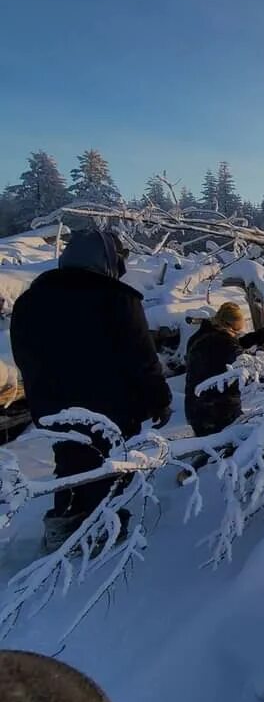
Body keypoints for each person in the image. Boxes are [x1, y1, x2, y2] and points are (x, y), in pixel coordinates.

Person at [10, 228, 172, 552]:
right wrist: (160, 400)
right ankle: (102, 530)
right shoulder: (117, 300)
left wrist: (44, 393)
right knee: (107, 463)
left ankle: (64, 523)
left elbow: (22, 354)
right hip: (111, 408)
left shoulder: (30, 302)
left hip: (53, 408)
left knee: (69, 458)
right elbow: (142, 357)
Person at [184, 302, 264, 438]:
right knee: (233, 449)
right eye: (237, 329)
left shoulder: (198, 338)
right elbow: (244, 367)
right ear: (230, 325)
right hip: (219, 411)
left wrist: (258, 337)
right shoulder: (226, 344)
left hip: (194, 408)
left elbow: (223, 348)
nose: (238, 332)